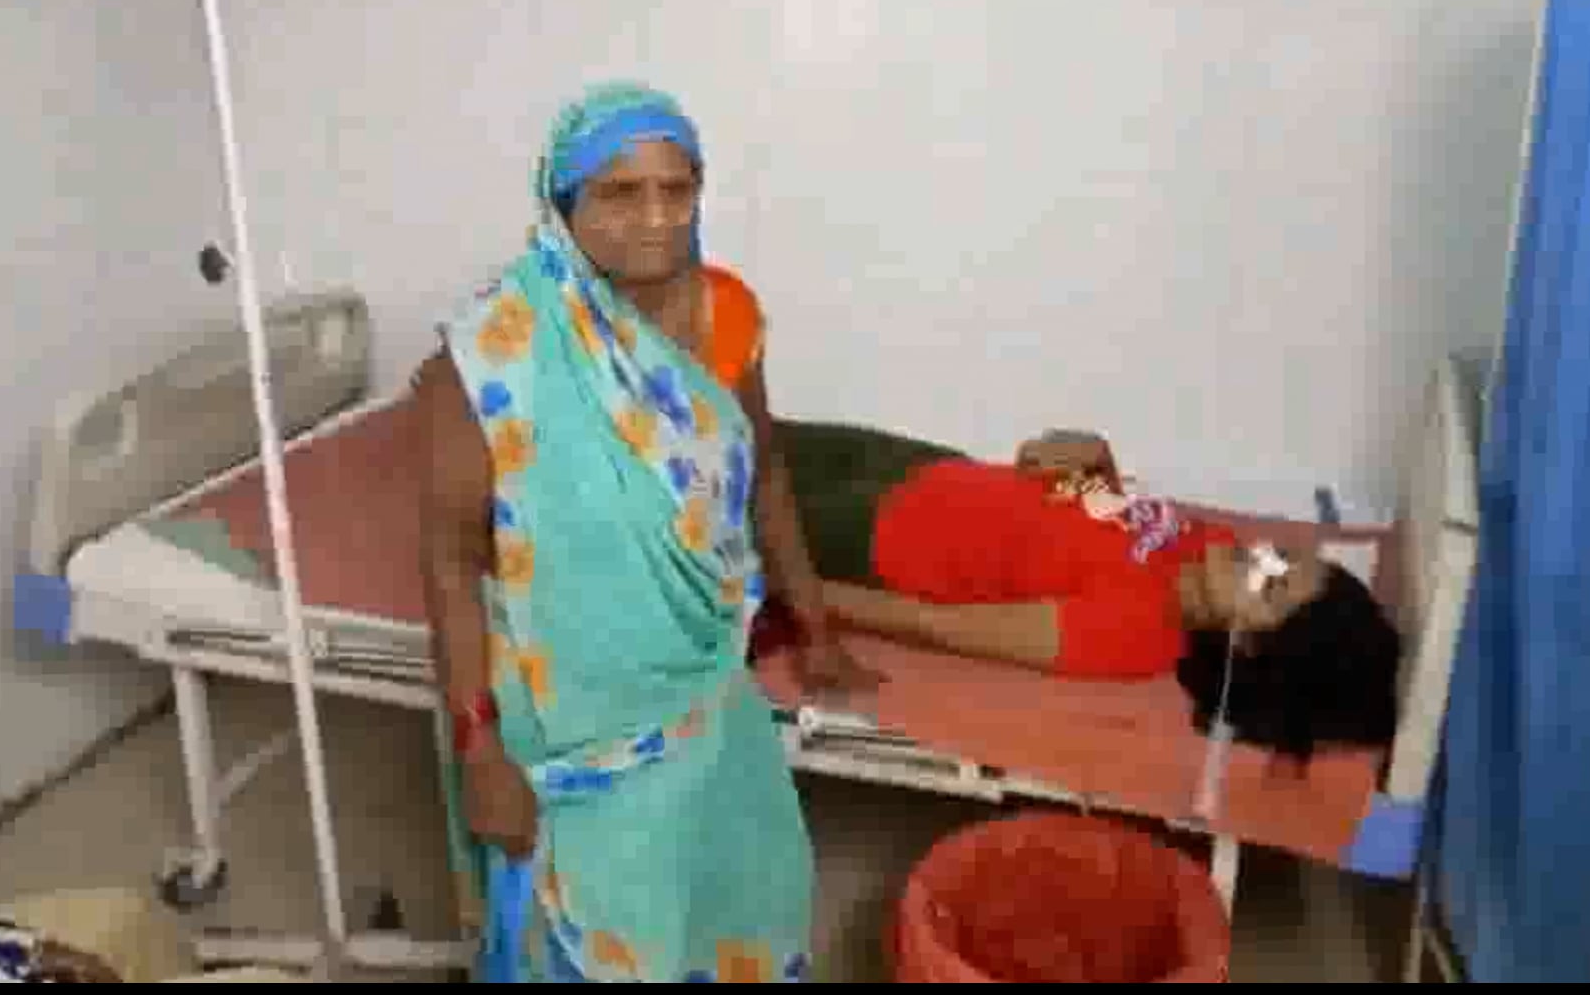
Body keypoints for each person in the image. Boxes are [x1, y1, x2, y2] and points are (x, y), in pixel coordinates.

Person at [417, 81, 871, 982]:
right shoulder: (491, 356)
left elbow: (766, 473)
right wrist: (480, 749)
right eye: (621, 193)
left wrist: (816, 625)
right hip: (567, 728)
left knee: (729, 905)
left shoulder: (727, 317)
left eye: (678, 188)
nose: (657, 218)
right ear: (563, 203)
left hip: (706, 690)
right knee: (596, 939)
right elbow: (451, 562)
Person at [766, 419, 1331, 679]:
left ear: (1245, 642)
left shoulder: (1139, 632)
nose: (1262, 558)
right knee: (734, 419)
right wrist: (1092, 456)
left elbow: (939, 625)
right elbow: (1093, 514)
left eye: (1274, 586)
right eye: (1282, 554)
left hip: (876, 535)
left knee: (718, 474)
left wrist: (797, 596)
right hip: (918, 467)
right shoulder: (1209, 543)